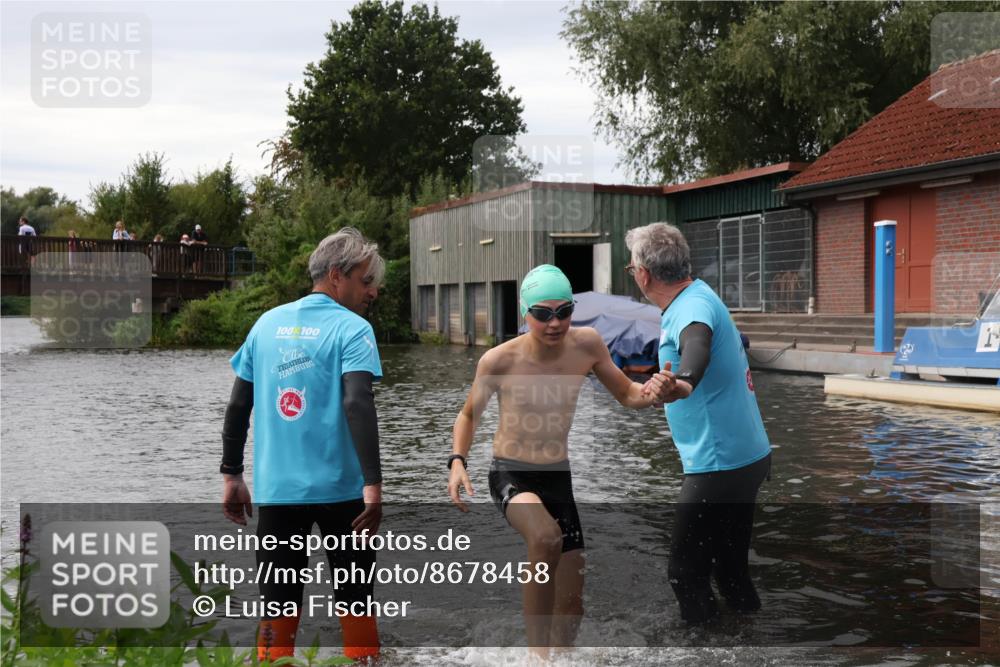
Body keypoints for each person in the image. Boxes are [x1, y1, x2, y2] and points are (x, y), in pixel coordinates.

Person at [447, 264, 672, 659]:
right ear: (525, 314)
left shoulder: (587, 345)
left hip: (558, 478)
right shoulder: (498, 361)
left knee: (571, 605)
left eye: (563, 312)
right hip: (510, 473)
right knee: (545, 537)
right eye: (542, 314)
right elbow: (468, 415)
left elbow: (628, 394)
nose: (554, 323)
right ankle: (538, 659)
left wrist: (657, 391)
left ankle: (560, 657)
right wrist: (457, 460)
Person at [221, 227, 385, 663]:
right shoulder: (354, 329)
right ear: (337, 275)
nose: (374, 291)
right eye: (366, 281)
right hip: (345, 494)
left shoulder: (266, 323)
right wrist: (374, 486)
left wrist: (232, 475)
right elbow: (356, 402)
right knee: (355, 599)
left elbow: (239, 405)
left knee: (277, 605)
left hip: (278, 493)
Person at [625, 222, 772, 625]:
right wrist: (670, 393)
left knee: (684, 574)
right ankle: (750, 641)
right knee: (729, 571)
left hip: (718, 465)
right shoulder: (698, 295)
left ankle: (705, 651)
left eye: (631, 268)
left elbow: (697, 345)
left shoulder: (690, 309)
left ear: (643, 274)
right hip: (747, 457)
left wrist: (685, 381)